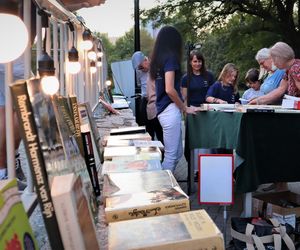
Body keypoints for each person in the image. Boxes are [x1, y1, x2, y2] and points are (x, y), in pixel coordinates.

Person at [149, 25, 196, 173]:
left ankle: (168, 185)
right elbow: (169, 89)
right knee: (171, 156)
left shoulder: (158, 59)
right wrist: (184, 107)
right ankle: (161, 189)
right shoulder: (171, 58)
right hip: (169, 110)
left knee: (177, 154)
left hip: (163, 109)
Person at [181, 50, 215, 180]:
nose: (197, 64)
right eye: (195, 61)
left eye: (199, 61)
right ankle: (195, 170)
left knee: (206, 141)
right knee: (194, 142)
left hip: (207, 112)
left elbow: (212, 95)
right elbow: (184, 97)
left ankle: (206, 168)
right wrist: (185, 111)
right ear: (190, 62)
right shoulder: (185, 78)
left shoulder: (209, 76)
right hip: (193, 113)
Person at [131, 51, 163, 144]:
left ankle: (163, 151)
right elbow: (140, 84)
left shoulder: (155, 69)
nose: (140, 69)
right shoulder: (139, 71)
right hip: (145, 100)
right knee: (147, 127)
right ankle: (150, 146)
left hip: (156, 100)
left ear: (146, 60)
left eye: (141, 66)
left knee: (158, 127)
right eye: (139, 68)